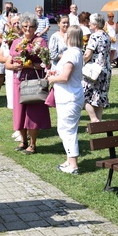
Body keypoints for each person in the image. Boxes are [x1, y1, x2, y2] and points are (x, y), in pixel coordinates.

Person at [6, 13, 51, 154]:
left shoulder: (40, 42)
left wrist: (30, 65)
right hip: (18, 80)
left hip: (34, 81)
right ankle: (23, 140)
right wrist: (14, 66)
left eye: (30, 27)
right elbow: (8, 62)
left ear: (35, 27)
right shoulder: (16, 42)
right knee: (19, 112)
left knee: (33, 113)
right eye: (25, 26)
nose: (27, 29)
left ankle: (32, 144)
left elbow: (46, 63)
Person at [48, 25, 84, 174]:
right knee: (66, 129)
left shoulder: (70, 54)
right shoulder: (76, 52)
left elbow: (65, 77)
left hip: (69, 97)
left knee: (67, 130)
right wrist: (55, 72)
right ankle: (69, 160)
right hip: (71, 95)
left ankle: (73, 164)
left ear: (68, 37)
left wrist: (52, 78)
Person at [82, 13, 112, 123]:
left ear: (95, 24)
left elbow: (88, 55)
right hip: (106, 69)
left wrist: (81, 60)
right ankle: (98, 123)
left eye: (90, 22)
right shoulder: (106, 35)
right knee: (100, 96)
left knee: (84, 95)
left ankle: (93, 119)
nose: (89, 23)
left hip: (94, 70)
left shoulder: (94, 36)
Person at [0, 2, 14, 100]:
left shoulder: (17, 21)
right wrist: (7, 43)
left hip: (15, 50)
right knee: (0, 73)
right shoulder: (1, 20)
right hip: (3, 50)